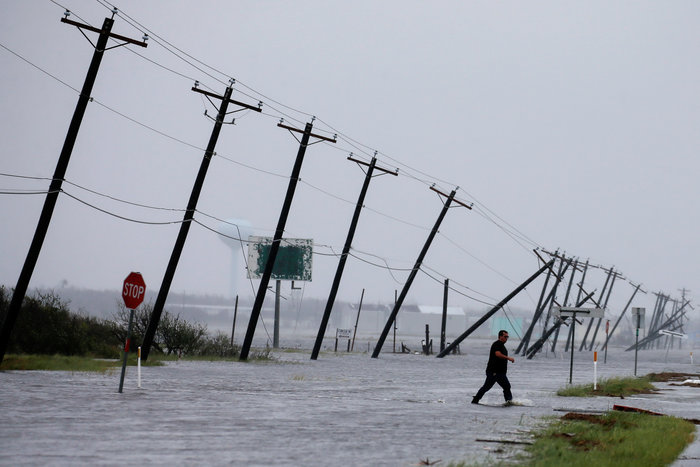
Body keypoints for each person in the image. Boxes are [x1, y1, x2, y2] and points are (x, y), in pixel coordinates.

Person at [472, 330, 514, 405]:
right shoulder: (496, 344)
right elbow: (497, 354)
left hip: (499, 372)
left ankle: (475, 400)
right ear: (500, 336)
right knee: (506, 386)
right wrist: (508, 358)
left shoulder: (502, 346)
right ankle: (509, 401)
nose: (506, 338)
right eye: (505, 337)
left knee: (487, 387)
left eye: (507, 337)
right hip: (495, 372)